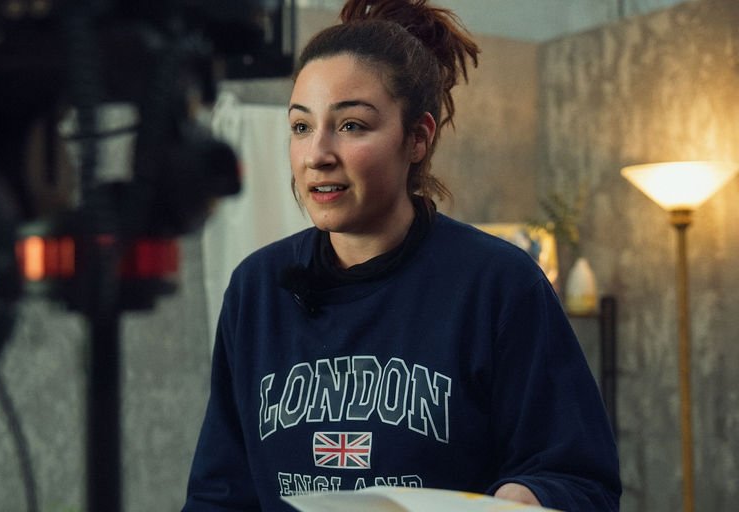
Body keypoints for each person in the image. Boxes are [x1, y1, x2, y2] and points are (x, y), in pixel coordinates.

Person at [182, 0, 621, 510]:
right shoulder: (258, 287)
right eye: (301, 127)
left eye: (351, 126)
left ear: (417, 138)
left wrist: (527, 497)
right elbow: (219, 493)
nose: (318, 154)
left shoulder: (498, 284)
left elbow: (581, 479)